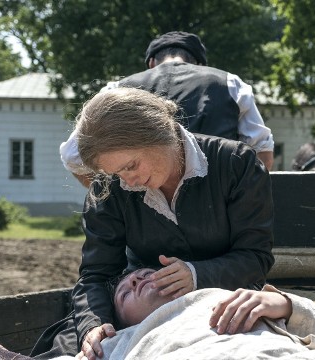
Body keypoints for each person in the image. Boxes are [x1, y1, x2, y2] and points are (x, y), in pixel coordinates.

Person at [31, 87, 275, 360]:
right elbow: (95, 275)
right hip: (138, 311)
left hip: (219, 304)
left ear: (159, 134)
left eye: (131, 165)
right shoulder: (111, 186)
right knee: (75, 348)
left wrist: (196, 274)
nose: (128, 181)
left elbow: (255, 257)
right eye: (116, 172)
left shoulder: (235, 164)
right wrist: (95, 325)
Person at [0, 268, 315, 360]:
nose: (137, 280)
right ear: (122, 319)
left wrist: (287, 305)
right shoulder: (124, 341)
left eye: (144, 273)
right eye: (125, 291)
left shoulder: (224, 296)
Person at [60, 31, 274, 188]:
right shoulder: (229, 83)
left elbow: (72, 156)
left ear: (151, 62)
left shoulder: (118, 90)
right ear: (199, 63)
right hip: (218, 215)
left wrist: (116, 197)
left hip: (145, 223)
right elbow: (262, 150)